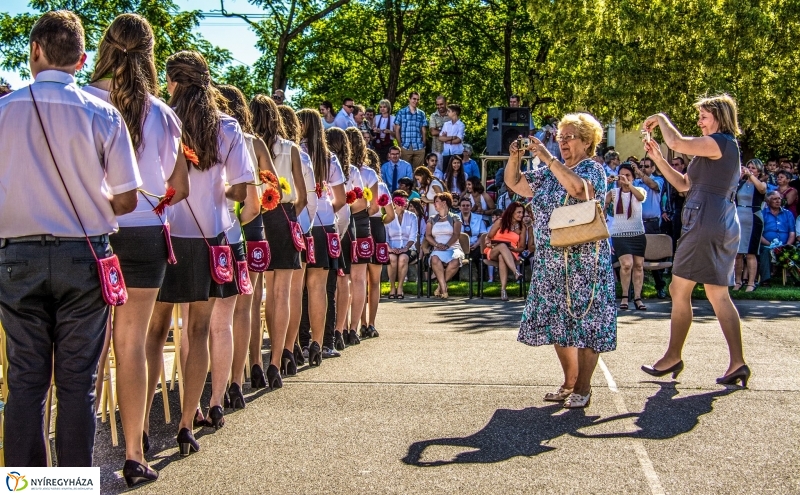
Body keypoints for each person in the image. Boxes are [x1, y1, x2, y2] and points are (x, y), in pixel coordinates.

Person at [0, 10, 141, 468]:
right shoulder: (103, 114)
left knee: (24, 380)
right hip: (84, 254)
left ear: (35, 51)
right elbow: (126, 200)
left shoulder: (3, 111)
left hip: (15, 256)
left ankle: (26, 484)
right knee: (78, 383)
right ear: (81, 61)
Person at [84, 14, 188, 484]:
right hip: (145, 232)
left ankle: (69, 458)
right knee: (133, 344)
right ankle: (133, 451)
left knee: (83, 347)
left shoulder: (81, 100)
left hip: (89, 231)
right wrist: (154, 198)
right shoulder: (163, 113)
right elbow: (179, 186)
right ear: (149, 53)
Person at [145, 50, 252, 456]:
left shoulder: (156, 118)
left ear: (171, 82)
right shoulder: (227, 126)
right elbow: (242, 190)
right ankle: (188, 422)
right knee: (198, 331)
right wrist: (214, 194)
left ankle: (140, 423)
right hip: (211, 236)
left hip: (166, 233)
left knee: (153, 332)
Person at [505, 112, 616, 409]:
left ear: (587, 140)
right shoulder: (549, 173)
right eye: (560, 138)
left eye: (569, 137)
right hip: (553, 261)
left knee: (589, 323)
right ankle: (569, 382)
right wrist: (515, 156)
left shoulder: (593, 169)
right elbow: (515, 183)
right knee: (559, 323)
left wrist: (547, 157)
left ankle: (583, 386)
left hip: (586, 262)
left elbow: (579, 190)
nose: (562, 143)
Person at [642, 94, 749, 387]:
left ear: (719, 117)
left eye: (703, 116)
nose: (699, 122)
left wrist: (661, 118)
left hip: (706, 221)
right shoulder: (712, 149)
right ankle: (737, 363)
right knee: (717, 294)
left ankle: (673, 355)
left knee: (679, 287)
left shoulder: (721, 142)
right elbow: (683, 184)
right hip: (712, 220)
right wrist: (659, 159)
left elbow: (676, 142)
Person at [211, 85, 262, 412]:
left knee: (206, 316)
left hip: (224, 220)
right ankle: (235, 382)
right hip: (243, 221)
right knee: (241, 309)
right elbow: (262, 184)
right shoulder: (251, 140)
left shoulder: (214, 131)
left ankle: (215, 389)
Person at [251, 94, 307, 380]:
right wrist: (288, 214)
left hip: (253, 215)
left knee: (255, 296)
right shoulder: (291, 149)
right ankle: (277, 357)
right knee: (281, 292)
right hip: (283, 215)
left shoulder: (247, 144)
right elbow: (302, 194)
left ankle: (255, 362)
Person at [297, 109, 346, 363]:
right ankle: (319, 343)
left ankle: (299, 343)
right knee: (319, 289)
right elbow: (340, 199)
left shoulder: (296, 153)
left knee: (296, 288)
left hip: (302, 221)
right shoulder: (329, 158)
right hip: (326, 225)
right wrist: (327, 212)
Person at [361, 148, 395, 337]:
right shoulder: (381, 187)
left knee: (357, 280)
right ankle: (371, 324)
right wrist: (381, 221)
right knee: (374, 282)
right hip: (377, 227)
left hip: (361, 225)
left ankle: (359, 322)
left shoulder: (358, 178)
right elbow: (390, 215)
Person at [607, 163, 647, 311]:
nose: (624, 178)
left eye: (628, 175)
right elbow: (600, 203)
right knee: (627, 264)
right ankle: (624, 296)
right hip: (619, 234)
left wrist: (629, 185)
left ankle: (637, 297)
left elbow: (641, 197)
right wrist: (606, 182)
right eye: (621, 175)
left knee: (638, 266)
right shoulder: (613, 192)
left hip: (637, 233)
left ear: (633, 177)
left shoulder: (639, 190)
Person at [633, 157, 667, 298]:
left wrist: (641, 175)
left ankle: (660, 287)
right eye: (641, 166)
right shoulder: (636, 182)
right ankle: (636, 290)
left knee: (654, 257)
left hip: (652, 223)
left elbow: (653, 186)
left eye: (646, 166)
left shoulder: (659, 180)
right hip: (637, 222)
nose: (643, 168)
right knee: (637, 258)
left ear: (653, 168)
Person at [733, 159, 767, 292]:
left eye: (753, 168)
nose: (750, 169)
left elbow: (762, 189)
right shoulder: (741, 183)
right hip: (739, 216)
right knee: (738, 253)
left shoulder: (761, 183)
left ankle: (751, 283)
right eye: (749, 167)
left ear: (758, 171)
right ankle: (737, 281)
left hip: (753, 218)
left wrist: (751, 176)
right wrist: (740, 177)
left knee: (751, 252)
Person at [483, 202, 525, 301]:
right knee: (502, 245)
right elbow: (488, 237)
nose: (521, 215)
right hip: (494, 250)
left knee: (502, 256)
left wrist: (514, 249)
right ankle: (515, 272)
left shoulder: (522, 227)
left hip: (512, 252)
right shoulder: (500, 222)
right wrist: (488, 243)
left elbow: (522, 247)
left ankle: (503, 290)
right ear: (511, 212)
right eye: (518, 212)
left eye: (522, 212)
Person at [425, 192, 464, 298]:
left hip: (453, 247)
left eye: (436, 201)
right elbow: (428, 236)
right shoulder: (432, 219)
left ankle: (439, 287)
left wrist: (447, 246)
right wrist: (437, 245)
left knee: (455, 262)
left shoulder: (455, 218)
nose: (434, 204)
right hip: (437, 248)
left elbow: (456, 235)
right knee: (434, 259)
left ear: (444, 203)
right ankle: (444, 288)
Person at [758, 191, 796, 287]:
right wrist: (770, 244)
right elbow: (758, 234)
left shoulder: (788, 214)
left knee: (794, 251)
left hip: (785, 245)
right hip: (767, 245)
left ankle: (796, 279)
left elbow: (792, 232)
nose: (778, 201)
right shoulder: (762, 214)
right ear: (768, 201)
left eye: (779, 198)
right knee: (765, 251)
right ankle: (765, 280)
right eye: (774, 199)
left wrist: (787, 244)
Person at [386, 190, 419, 298]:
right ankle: (392, 287)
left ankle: (400, 287)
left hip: (408, 248)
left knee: (403, 258)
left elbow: (413, 237)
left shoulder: (412, 216)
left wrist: (406, 248)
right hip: (391, 247)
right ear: (395, 202)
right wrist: (389, 248)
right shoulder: (387, 217)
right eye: (402, 201)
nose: (405, 204)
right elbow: (384, 237)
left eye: (406, 201)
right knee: (392, 258)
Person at [394, 91, 428, 168]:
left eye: (418, 99)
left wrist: (423, 144)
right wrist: (400, 145)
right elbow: (397, 130)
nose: (416, 101)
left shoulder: (421, 114)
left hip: (419, 146)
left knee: (418, 172)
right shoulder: (401, 112)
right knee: (405, 171)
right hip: (405, 146)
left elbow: (424, 131)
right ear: (409, 99)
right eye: (414, 99)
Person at [458, 195, 487, 272]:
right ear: (459, 207)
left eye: (467, 205)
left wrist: (476, 244)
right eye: (463, 205)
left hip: (475, 245)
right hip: (459, 246)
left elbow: (483, 234)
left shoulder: (479, 218)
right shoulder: (454, 218)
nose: (465, 207)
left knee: (480, 253)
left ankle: (480, 276)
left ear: (471, 207)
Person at [439, 103, 464, 172]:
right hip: (446, 152)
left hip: (457, 153)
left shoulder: (461, 125)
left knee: (457, 172)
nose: (447, 113)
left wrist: (447, 140)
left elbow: (458, 140)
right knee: (446, 173)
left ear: (454, 113)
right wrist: (452, 137)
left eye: (449, 111)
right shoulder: (446, 124)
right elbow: (440, 138)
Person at [428, 95, 449, 170]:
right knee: (438, 173)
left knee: (448, 173)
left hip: (449, 150)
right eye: (437, 104)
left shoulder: (451, 115)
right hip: (437, 150)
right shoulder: (433, 116)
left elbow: (455, 131)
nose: (439, 106)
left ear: (446, 103)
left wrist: (439, 129)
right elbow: (433, 132)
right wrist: (446, 131)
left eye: (441, 104)